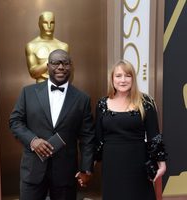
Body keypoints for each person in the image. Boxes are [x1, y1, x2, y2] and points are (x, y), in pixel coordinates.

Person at [9, 49, 94, 200]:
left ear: (71, 66)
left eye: (65, 63)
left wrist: (86, 169)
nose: (61, 67)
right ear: (48, 66)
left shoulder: (82, 99)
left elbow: (87, 136)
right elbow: (15, 122)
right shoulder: (28, 93)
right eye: (55, 63)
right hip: (33, 171)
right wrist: (33, 141)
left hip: (65, 174)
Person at [94, 59, 167, 200]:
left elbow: (154, 136)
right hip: (111, 163)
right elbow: (97, 137)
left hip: (138, 162)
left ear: (133, 78)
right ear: (112, 79)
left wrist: (161, 164)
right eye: (118, 76)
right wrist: (88, 166)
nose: (123, 80)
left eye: (128, 76)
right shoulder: (102, 103)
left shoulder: (146, 102)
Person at [25, 11, 69, 83]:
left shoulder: (63, 46)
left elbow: (67, 72)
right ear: (39, 24)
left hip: (60, 88)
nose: (49, 26)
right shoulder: (31, 46)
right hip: (40, 88)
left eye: (52, 23)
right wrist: (51, 62)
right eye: (45, 23)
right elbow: (32, 73)